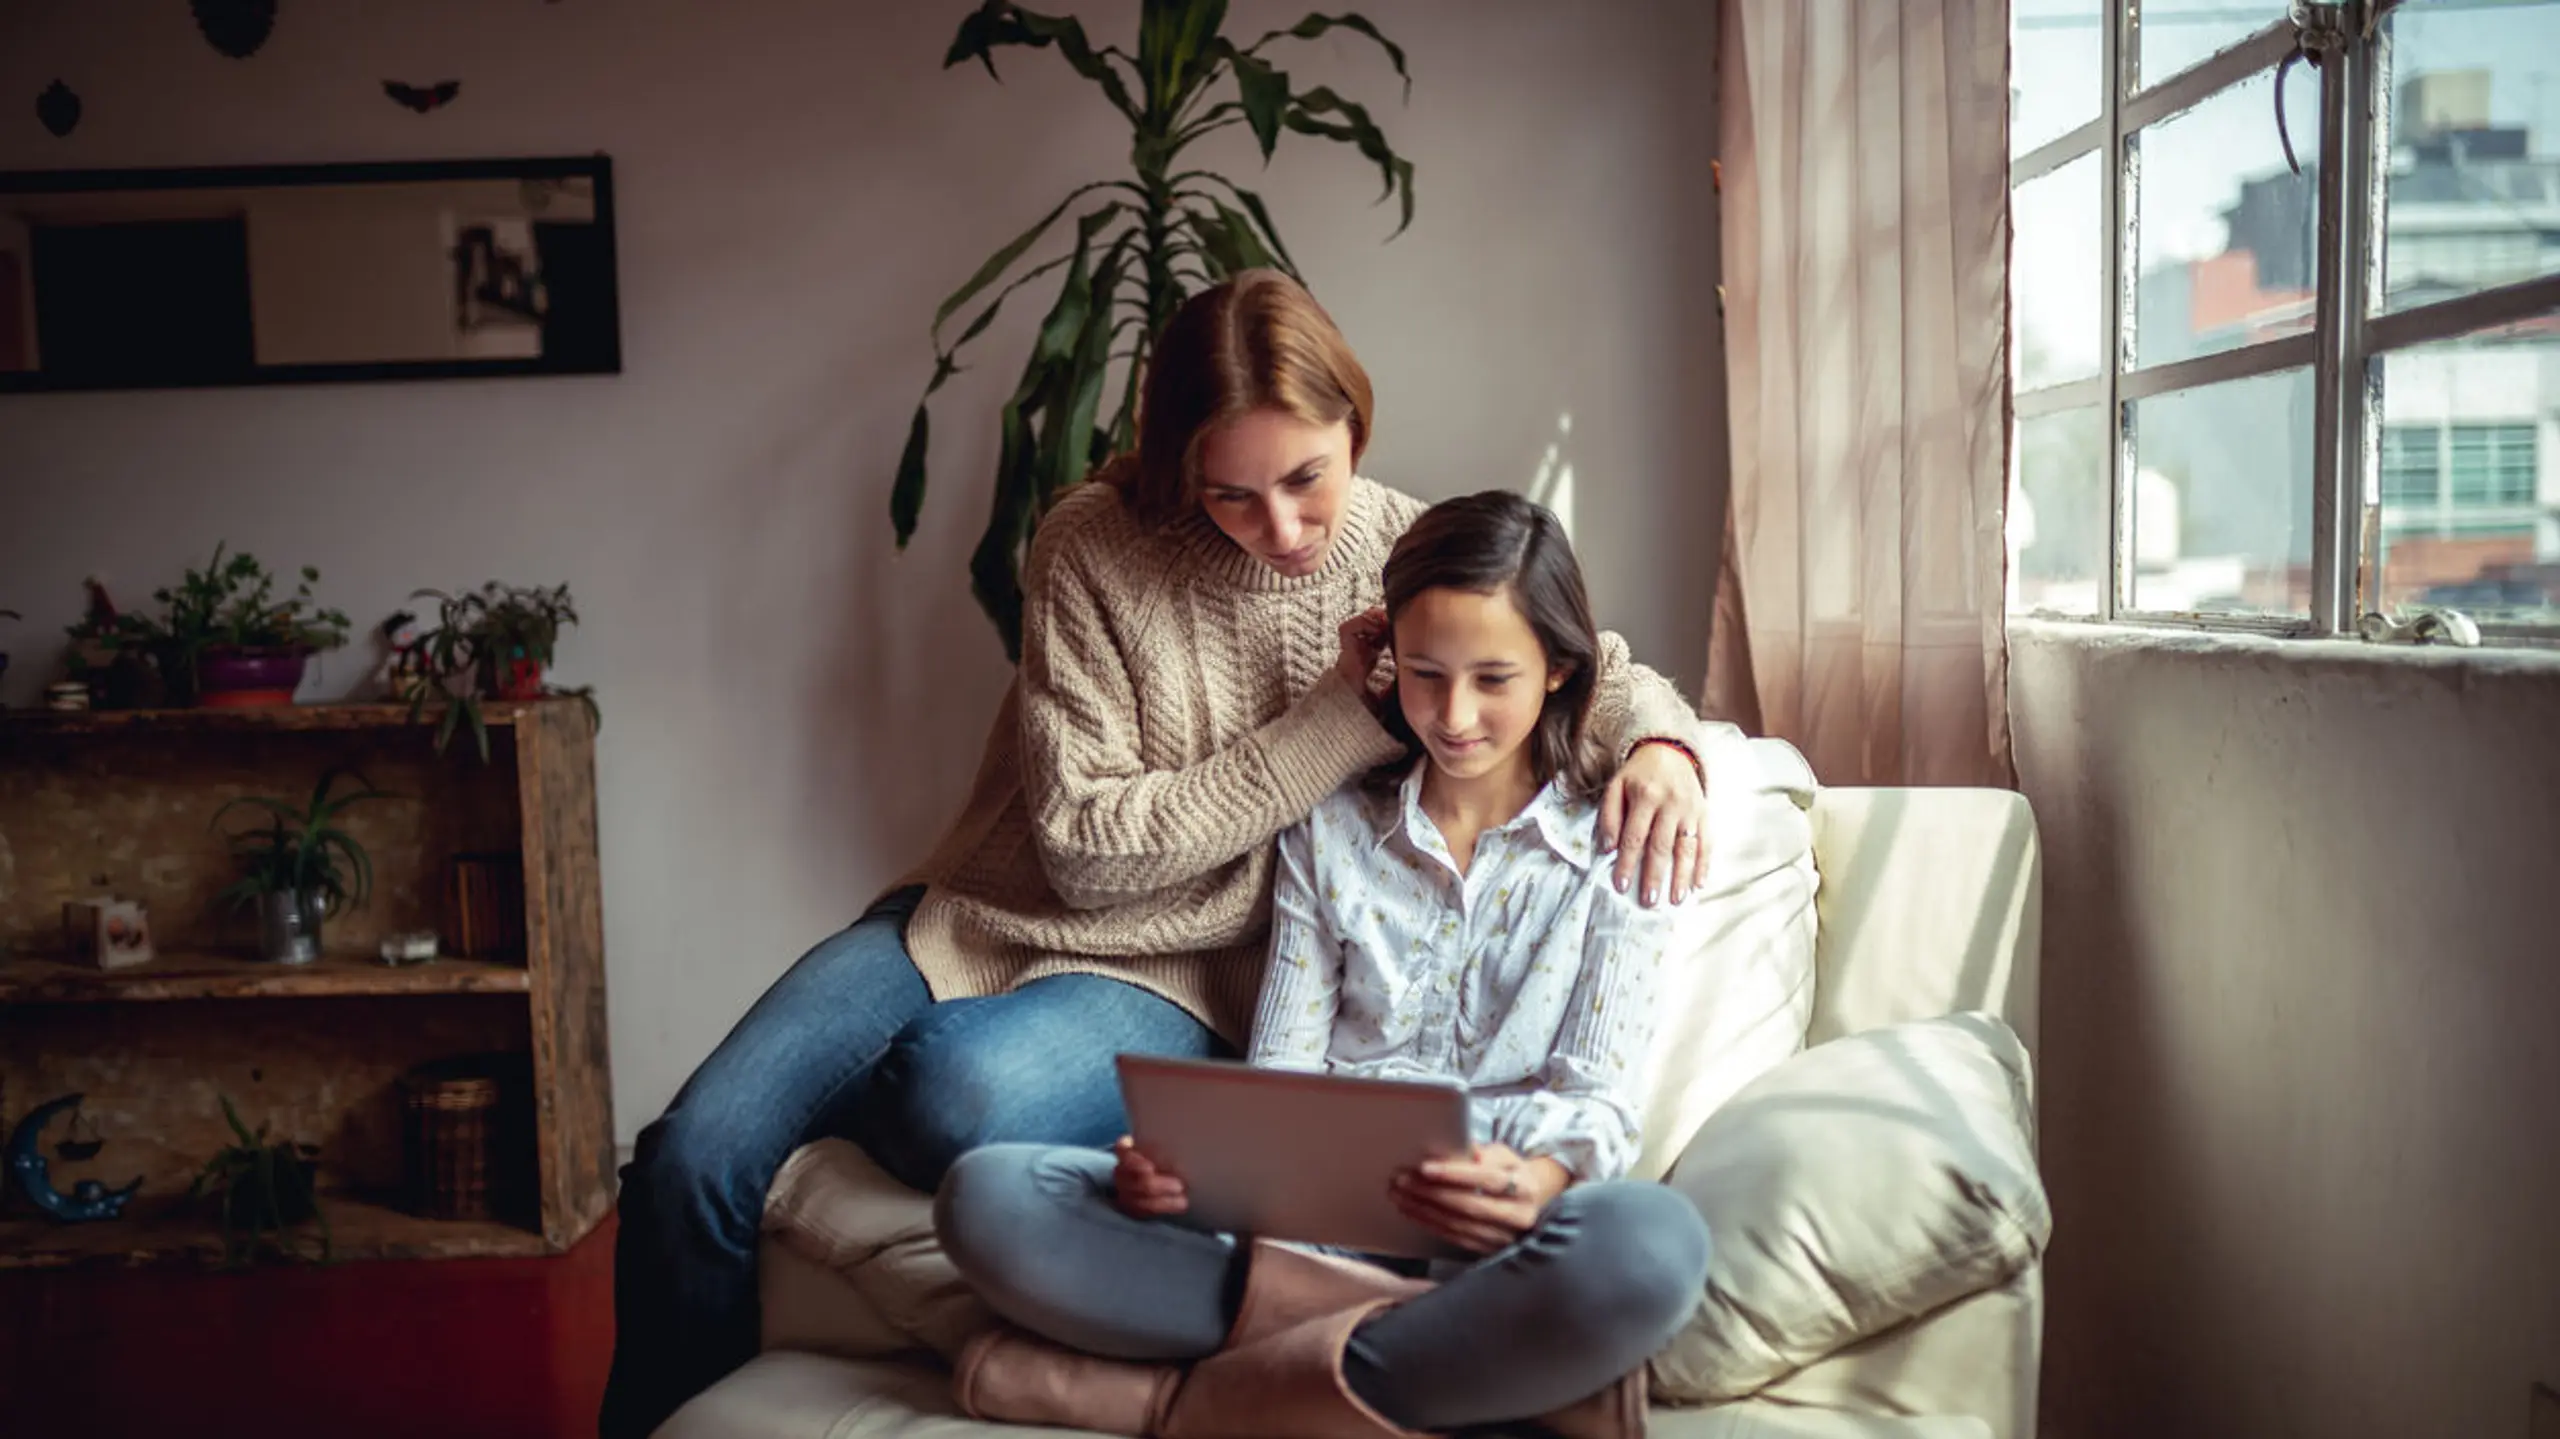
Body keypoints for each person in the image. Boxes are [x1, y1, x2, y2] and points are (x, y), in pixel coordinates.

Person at [601, 271, 1713, 1437]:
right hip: (981, 915)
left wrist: (1664, 747)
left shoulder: (1396, 542)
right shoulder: (1089, 543)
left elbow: (1571, 659)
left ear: (1354, 429)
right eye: (1230, 493)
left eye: (1305, 479)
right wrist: (1336, 717)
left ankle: (1243, 1381)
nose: (1280, 528)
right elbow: (1080, 850)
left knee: (948, 1088)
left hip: (1183, 971)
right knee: (691, 1155)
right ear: (1177, 462)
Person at [933, 490, 1711, 1439]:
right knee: (991, 1198)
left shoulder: (1619, 841)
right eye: (1424, 674)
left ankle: (1198, 1399)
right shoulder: (1335, 827)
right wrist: (1195, 1173)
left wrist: (1540, 1181)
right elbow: (1283, 1073)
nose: (1454, 716)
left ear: (1558, 669)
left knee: (1653, 1248)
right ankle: (1450, 1382)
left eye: (1492, 678)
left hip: (1493, 1244)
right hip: (1298, 1235)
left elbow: (1600, 1100)